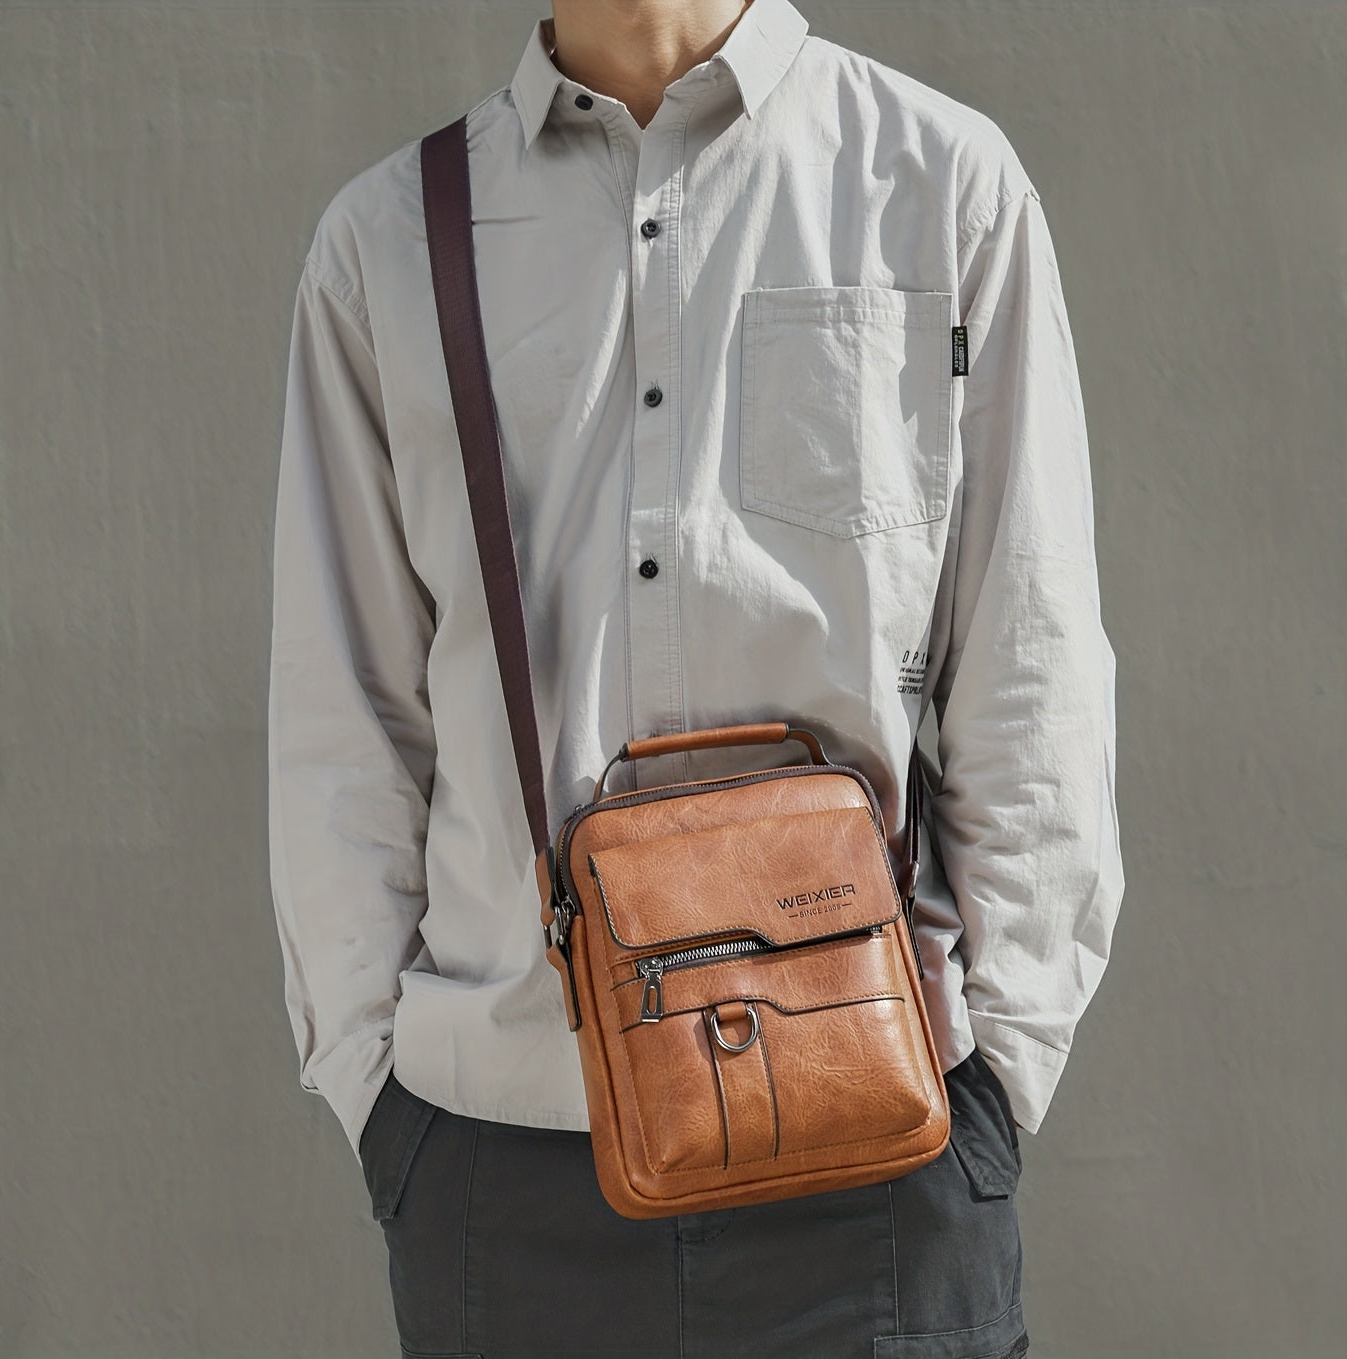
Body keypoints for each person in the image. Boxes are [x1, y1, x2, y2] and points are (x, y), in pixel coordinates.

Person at [266, 1, 1124, 1355]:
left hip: (880, 1147)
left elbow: (1033, 652)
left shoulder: (938, 183)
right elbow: (345, 706)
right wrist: (382, 1102)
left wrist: (999, 1080)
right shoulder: (388, 241)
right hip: (508, 1165)